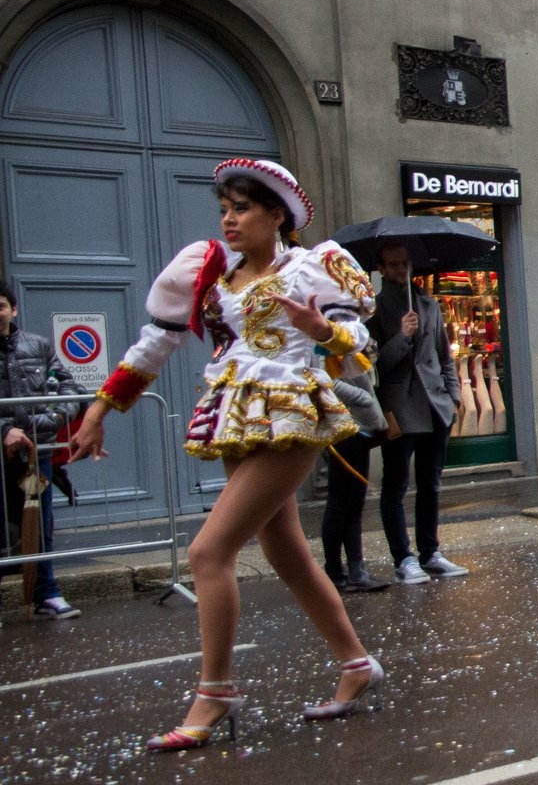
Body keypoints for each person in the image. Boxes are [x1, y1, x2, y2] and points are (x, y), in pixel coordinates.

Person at [69, 157, 385, 748]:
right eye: (225, 210)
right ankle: (356, 665)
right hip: (235, 416)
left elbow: (359, 336)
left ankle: (214, 692)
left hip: (291, 411)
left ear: (277, 215)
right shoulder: (213, 275)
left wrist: (324, 334)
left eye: (241, 209)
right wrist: (98, 410)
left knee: (208, 552)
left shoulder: (312, 268)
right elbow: (154, 345)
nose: (229, 220)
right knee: (287, 554)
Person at [371, 242, 468, 585]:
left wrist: (454, 397)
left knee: (431, 484)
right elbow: (373, 364)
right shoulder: (375, 308)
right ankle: (403, 558)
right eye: (394, 266)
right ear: (381, 269)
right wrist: (402, 336)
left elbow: (444, 354)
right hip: (400, 408)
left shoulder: (428, 303)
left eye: (405, 265)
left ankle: (431, 552)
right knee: (396, 486)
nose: (401, 271)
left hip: (435, 407)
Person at [0, 284, 82, 618]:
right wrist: (5, 430)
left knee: (40, 524)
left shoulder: (37, 344)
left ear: (13, 310)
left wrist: (52, 419)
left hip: (37, 454)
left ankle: (46, 593)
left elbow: (70, 386)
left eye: (1, 305)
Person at [319, 369, 389, 593]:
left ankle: (356, 571)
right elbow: (321, 376)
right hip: (343, 426)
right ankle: (334, 571)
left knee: (354, 502)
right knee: (340, 503)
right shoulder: (330, 338)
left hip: (360, 426)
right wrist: (364, 399)